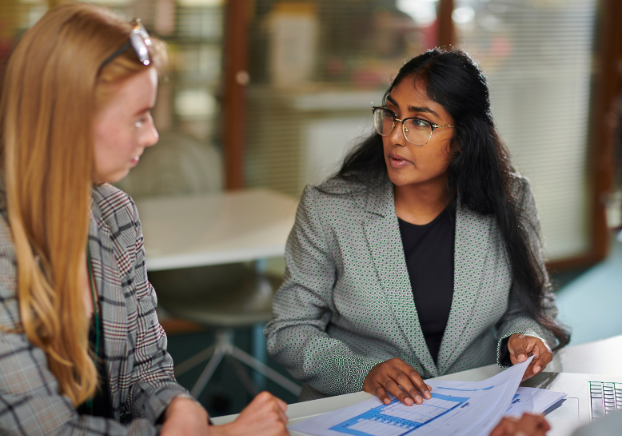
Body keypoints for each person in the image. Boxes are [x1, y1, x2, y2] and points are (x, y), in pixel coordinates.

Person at [0, 3, 288, 435]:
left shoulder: (116, 214)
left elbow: (149, 371)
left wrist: (178, 410)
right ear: (69, 121)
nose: (153, 135)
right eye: (138, 118)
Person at [265, 48, 570, 404]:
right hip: (358, 409)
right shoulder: (329, 208)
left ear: (462, 140)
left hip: (472, 405)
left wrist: (523, 338)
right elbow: (289, 330)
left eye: (421, 123)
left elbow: (531, 307)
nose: (395, 136)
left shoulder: (510, 197)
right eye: (392, 114)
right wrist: (361, 373)